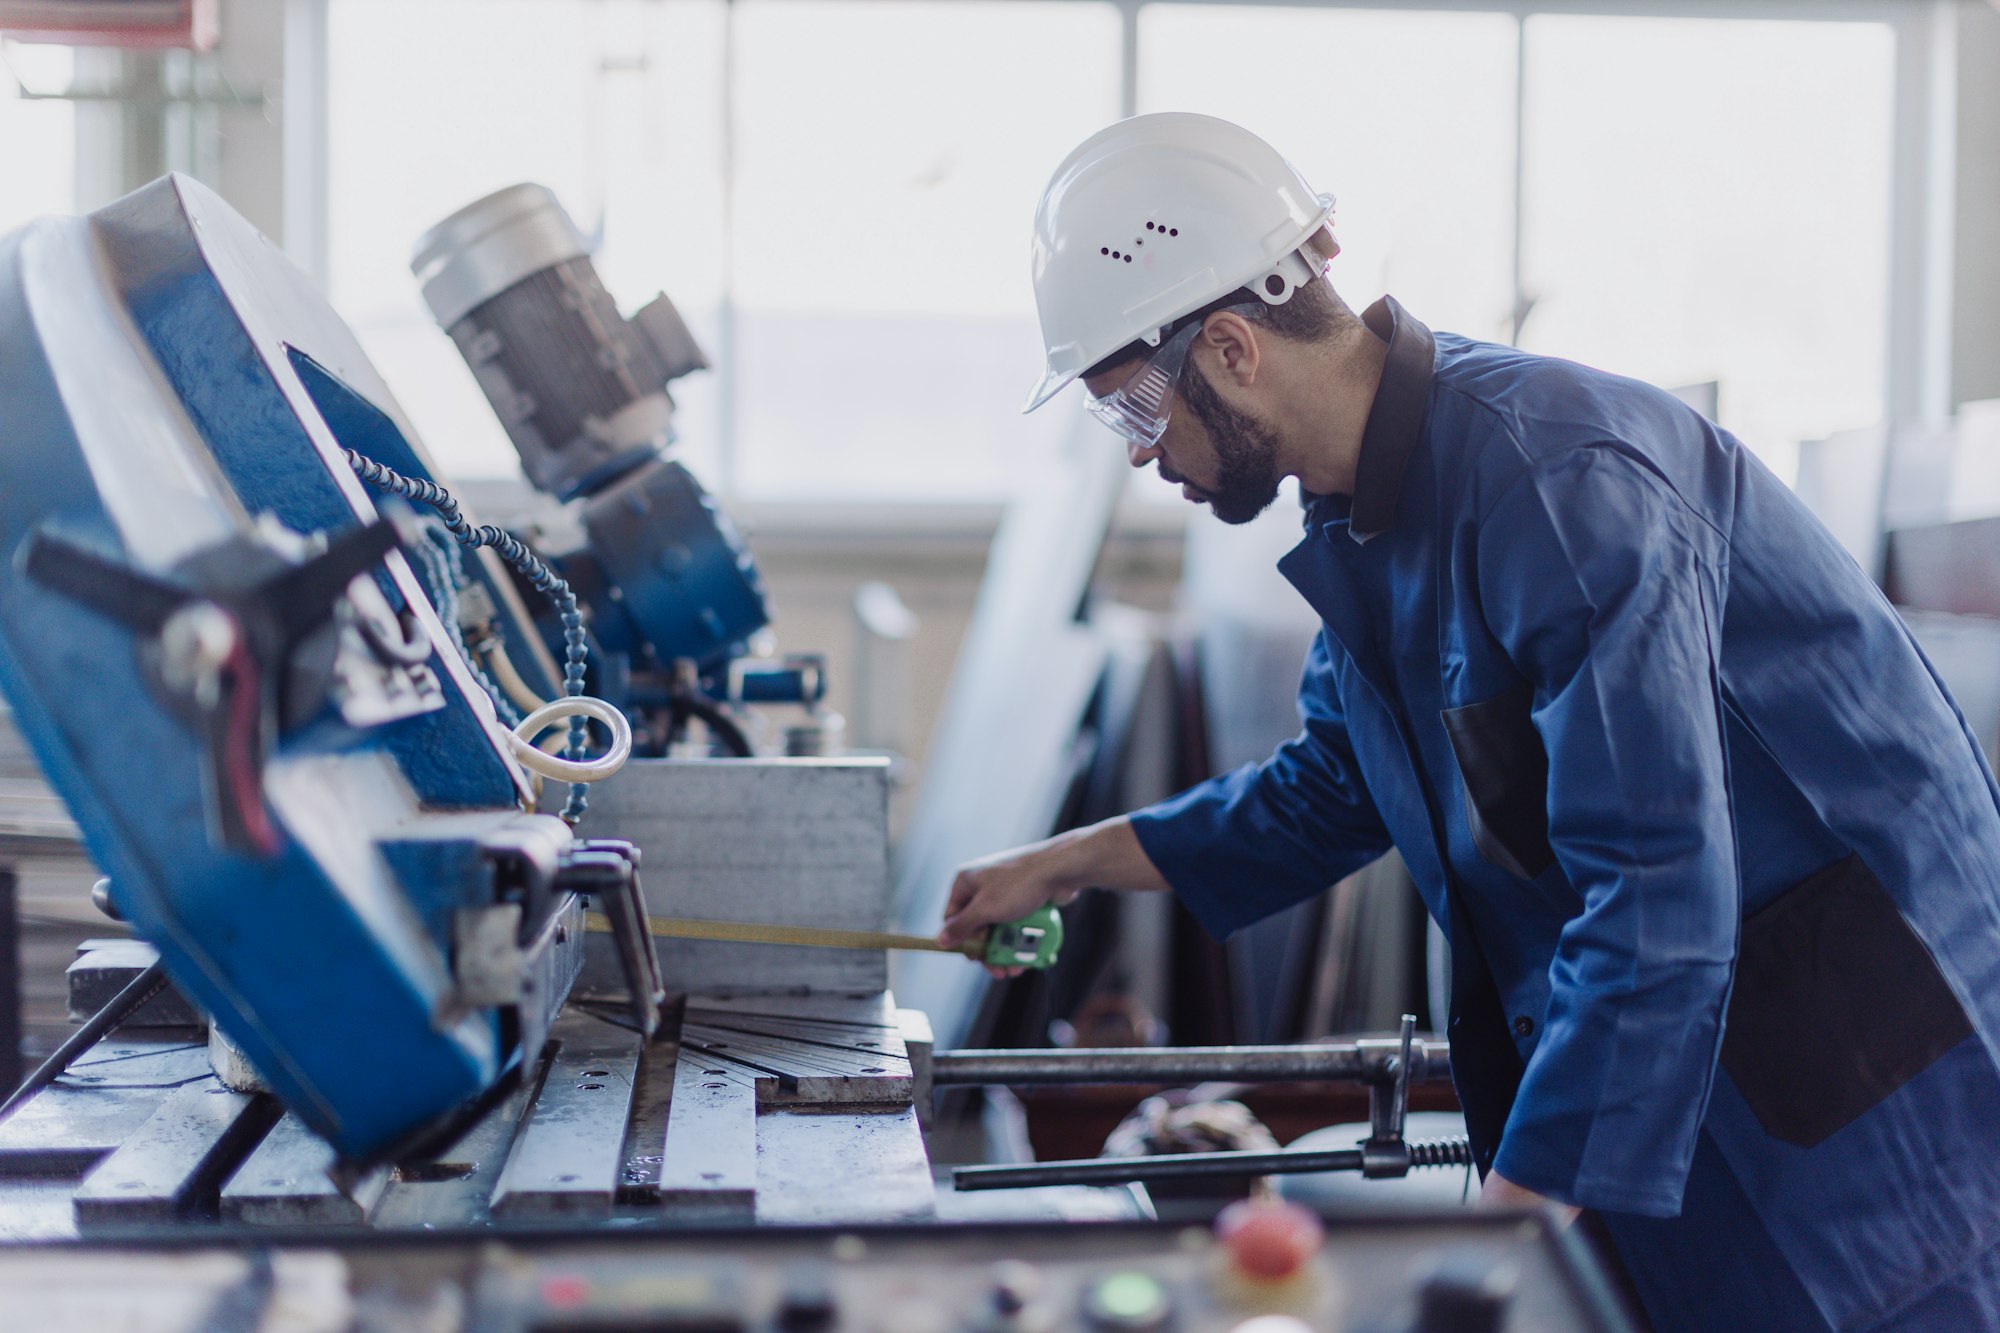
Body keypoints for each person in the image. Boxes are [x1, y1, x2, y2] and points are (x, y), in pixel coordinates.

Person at [935, 112, 2000, 1333]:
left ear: (1229, 348)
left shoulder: (1557, 480)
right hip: (1672, 1062)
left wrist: (1507, 1220)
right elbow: (1330, 790)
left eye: (1129, 411)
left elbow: (1654, 889)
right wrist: (1057, 865)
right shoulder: (1366, 518)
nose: (1135, 458)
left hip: (1848, 1089)